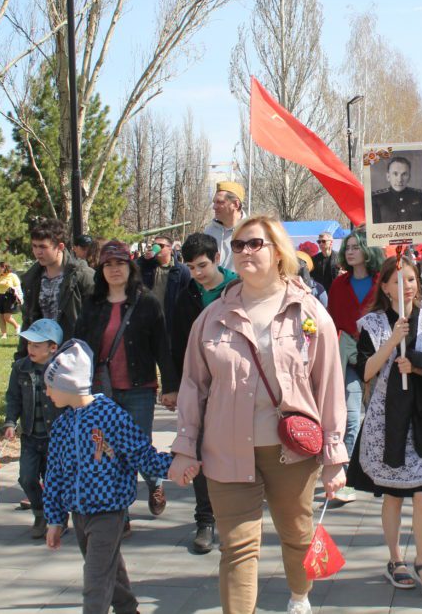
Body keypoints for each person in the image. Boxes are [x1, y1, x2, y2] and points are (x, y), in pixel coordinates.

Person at [169, 215, 347, 614]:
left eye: (255, 244)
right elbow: (193, 386)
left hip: (294, 455)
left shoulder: (310, 313)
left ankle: (300, 597)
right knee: (237, 547)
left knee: (297, 536)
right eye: (238, 245)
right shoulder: (212, 317)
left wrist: (335, 458)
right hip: (227, 451)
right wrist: (184, 447)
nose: (245, 251)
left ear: (278, 252)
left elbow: (330, 386)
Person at [346, 257, 422, 598]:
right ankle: (396, 559)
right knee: (394, 497)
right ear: (384, 286)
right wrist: (391, 341)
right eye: (398, 280)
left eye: (411, 279)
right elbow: (366, 371)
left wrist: (419, 366)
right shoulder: (371, 323)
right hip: (387, 419)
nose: (406, 285)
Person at [42, 339, 175, 614]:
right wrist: (54, 519)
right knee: (107, 569)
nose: (46, 392)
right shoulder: (62, 425)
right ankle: (128, 609)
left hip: (109, 512)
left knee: (95, 578)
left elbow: (142, 454)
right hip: (79, 514)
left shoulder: (110, 416)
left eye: (49, 385)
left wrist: (175, 466)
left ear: (67, 384)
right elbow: (53, 475)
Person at [74, 240, 177, 531]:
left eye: (120, 263)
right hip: (101, 392)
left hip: (138, 389)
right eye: (108, 264)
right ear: (101, 269)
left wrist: (170, 386)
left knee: (136, 450)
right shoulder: (92, 304)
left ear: (129, 267)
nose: (114, 269)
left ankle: (155, 483)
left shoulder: (146, 302)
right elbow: (79, 347)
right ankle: (122, 514)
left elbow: (162, 347)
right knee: (107, 453)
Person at [159, 232, 238, 555]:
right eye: (191, 267)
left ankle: (235, 517)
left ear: (217, 259)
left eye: (203, 265)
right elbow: (175, 342)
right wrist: (173, 386)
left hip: (237, 387)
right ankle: (205, 520)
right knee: (199, 451)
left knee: (236, 452)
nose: (198, 274)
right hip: (199, 387)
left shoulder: (239, 290)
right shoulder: (186, 295)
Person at [326, 227, 383, 503]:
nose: (350, 252)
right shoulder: (339, 284)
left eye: (355, 247)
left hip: (378, 356)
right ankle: (345, 477)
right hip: (348, 355)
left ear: (367, 250)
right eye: (347, 247)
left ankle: (375, 472)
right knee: (351, 417)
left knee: (376, 415)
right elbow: (331, 320)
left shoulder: (383, 282)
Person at [2, 318, 63, 539]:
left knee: (53, 480)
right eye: (29, 344)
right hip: (29, 435)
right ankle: (40, 512)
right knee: (26, 478)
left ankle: (57, 517)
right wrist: (10, 422)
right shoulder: (20, 368)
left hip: (54, 438)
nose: (31, 349)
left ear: (52, 348)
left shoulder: (61, 370)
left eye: (37, 345)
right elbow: (13, 398)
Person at [17, 219, 95, 359]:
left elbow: (97, 321)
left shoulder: (83, 276)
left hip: (75, 357)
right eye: (34, 246)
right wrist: (21, 358)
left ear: (60, 247)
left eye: (43, 247)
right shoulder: (32, 279)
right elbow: (28, 321)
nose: (37, 252)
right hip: (41, 358)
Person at [136, 235, 190, 323]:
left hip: (170, 321)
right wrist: (144, 259)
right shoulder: (147, 266)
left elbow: (187, 297)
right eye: (154, 245)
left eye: (160, 245)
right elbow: (131, 267)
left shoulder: (181, 270)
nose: (156, 247)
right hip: (147, 320)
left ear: (169, 248)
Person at [204, 181, 247, 269]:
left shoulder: (251, 230)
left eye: (220, 202)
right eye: (214, 202)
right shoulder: (208, 232)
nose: (214, 207)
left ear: (236, 204)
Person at [372, 156, 422, 223]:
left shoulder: (419, 196)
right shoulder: (377, 199)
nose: (399, 179)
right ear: (388, 177)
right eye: (395, 174)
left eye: (404, 174)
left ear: (409, 177)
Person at [0, 261, 23, 339]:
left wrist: (18, 296)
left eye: (0, 267)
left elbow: (17, 286)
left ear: (5, 267)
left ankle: (17, 326)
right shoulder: (0, 275)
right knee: (1, 317)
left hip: (9, 296)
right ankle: (4, 334)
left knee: (7, 317)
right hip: (0, 296)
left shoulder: (12, 276)